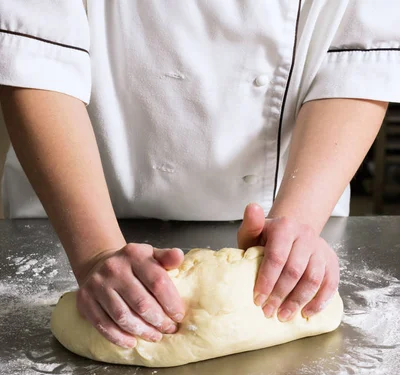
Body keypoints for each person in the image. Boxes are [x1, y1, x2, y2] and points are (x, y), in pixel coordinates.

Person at [0, 1, 399, 349]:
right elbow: (35, 52)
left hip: (289, 199)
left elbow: (357, 57)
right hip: (73, 207)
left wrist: (299, 220)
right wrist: (95, 253)